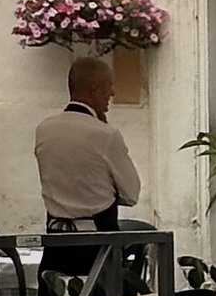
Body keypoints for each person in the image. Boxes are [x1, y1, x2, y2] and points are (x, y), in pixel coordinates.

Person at [33, 53, 145, 234]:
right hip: (99, 238)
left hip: (57, 238)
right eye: (109, 85)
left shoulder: (43, 130)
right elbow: (131, 194)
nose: (112, 93)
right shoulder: (106, 135)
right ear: (96, 90)